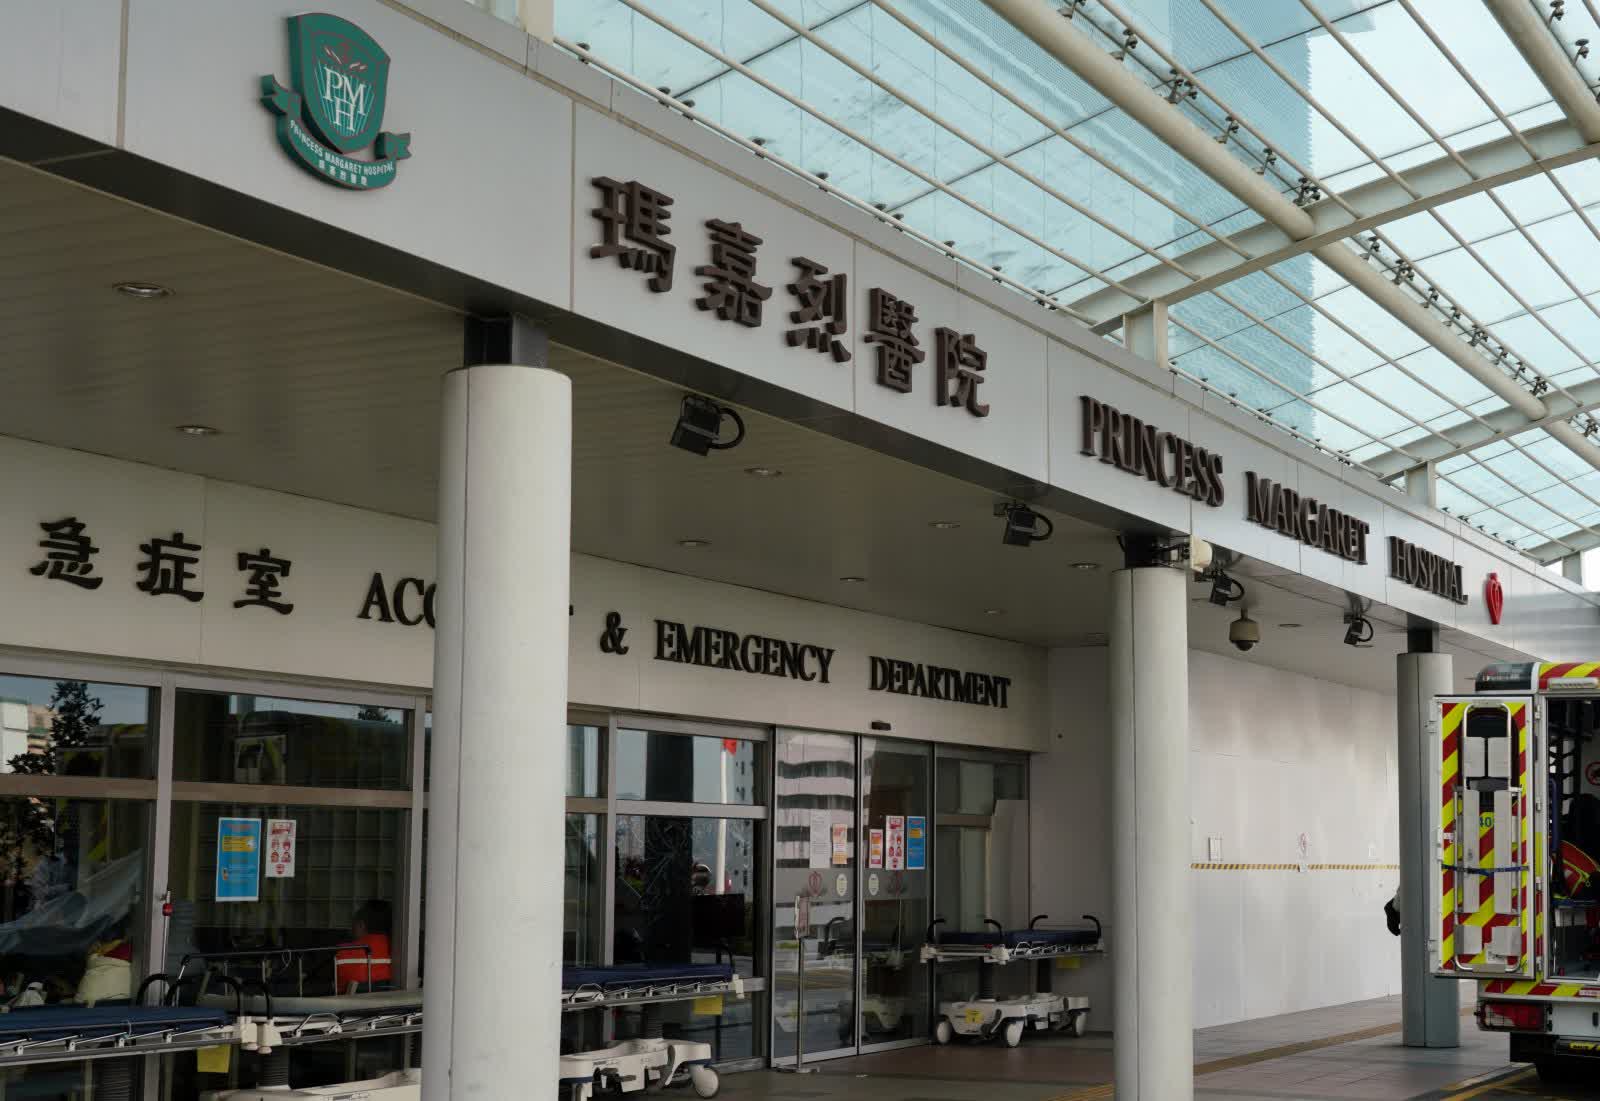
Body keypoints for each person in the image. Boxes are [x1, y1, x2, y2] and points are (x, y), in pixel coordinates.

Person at [334, 899, 393, 993]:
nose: (351, 929)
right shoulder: (400, 951)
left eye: (353, 924)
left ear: (361, 925)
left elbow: (338, 989)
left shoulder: (343, 952)